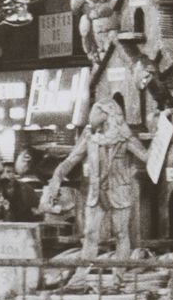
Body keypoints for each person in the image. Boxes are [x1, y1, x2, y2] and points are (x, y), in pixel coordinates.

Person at [48, 101, 148, 263]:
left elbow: (147, 157)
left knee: (121, 233)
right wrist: (56, 177)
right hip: (96, 194)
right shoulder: (90, 139)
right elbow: (70, 160)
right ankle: (80, 279)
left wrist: (160, 136)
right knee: (90, 233)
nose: (95, 121)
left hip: (119, 191)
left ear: (109, 117)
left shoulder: (124, 138)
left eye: (97, 113)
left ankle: (118, 279)